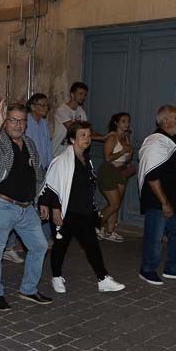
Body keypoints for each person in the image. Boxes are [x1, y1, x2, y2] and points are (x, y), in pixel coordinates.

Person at [0, 100, 53, 310]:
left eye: (21, 121)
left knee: (39, 246)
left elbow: (37, 174)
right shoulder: (0, 142)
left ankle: (28, 289)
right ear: (6, 122)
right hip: (2, 205)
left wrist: (41, 200)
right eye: (12, 120)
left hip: (26, 207)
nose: (17, 125)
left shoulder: (29, 144)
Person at [41, 122, 126, 295]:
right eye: (82, 135)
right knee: (60, 245)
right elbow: (51, 186)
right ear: (72, 139)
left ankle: (103, 279)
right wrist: (56, 210)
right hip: (66, 212)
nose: (87, 139)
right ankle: (56, 277)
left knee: (92, 246)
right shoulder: (61, 161)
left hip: (84, 212)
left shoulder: (86, 160)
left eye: (88, 135)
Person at [137, 105, 176, 285]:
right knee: (154, 238)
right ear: (165, 120)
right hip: (158, 200)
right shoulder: (155, 143)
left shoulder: (174, 140)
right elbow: (152, 176)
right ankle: (147, 270)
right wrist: (164, 202)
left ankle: (173, 268)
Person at [97, 112, 133, 242]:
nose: (126, 124)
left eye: (128, 121)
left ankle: (110, 231)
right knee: (114, 204)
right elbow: (107, 158)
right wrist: (123, 151)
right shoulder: (112, 137)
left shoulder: (126, 137)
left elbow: (127, 160)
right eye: (123, 121)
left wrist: (130, 152)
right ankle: (96, 225)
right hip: (109, 171)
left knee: (117, 205)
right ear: (116, 123)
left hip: (121, 171)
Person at [52, 82, 88, 150]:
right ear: (72, 95)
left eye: (85, 95)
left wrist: (103, 137)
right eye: (80, 94)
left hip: (70, 152)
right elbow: (72, 128)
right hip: (57, 152)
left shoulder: (81, 111)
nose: (83, 97)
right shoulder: (62, 110)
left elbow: (86, 128)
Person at [25, 93, 53, 173]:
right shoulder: (25, 121)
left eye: (47, 105)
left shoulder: (43, 123)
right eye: (43, 105)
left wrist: (50, 165)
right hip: (29, 167)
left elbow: (47, 145)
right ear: (32, 107)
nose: (46, 108)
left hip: (42, 167)